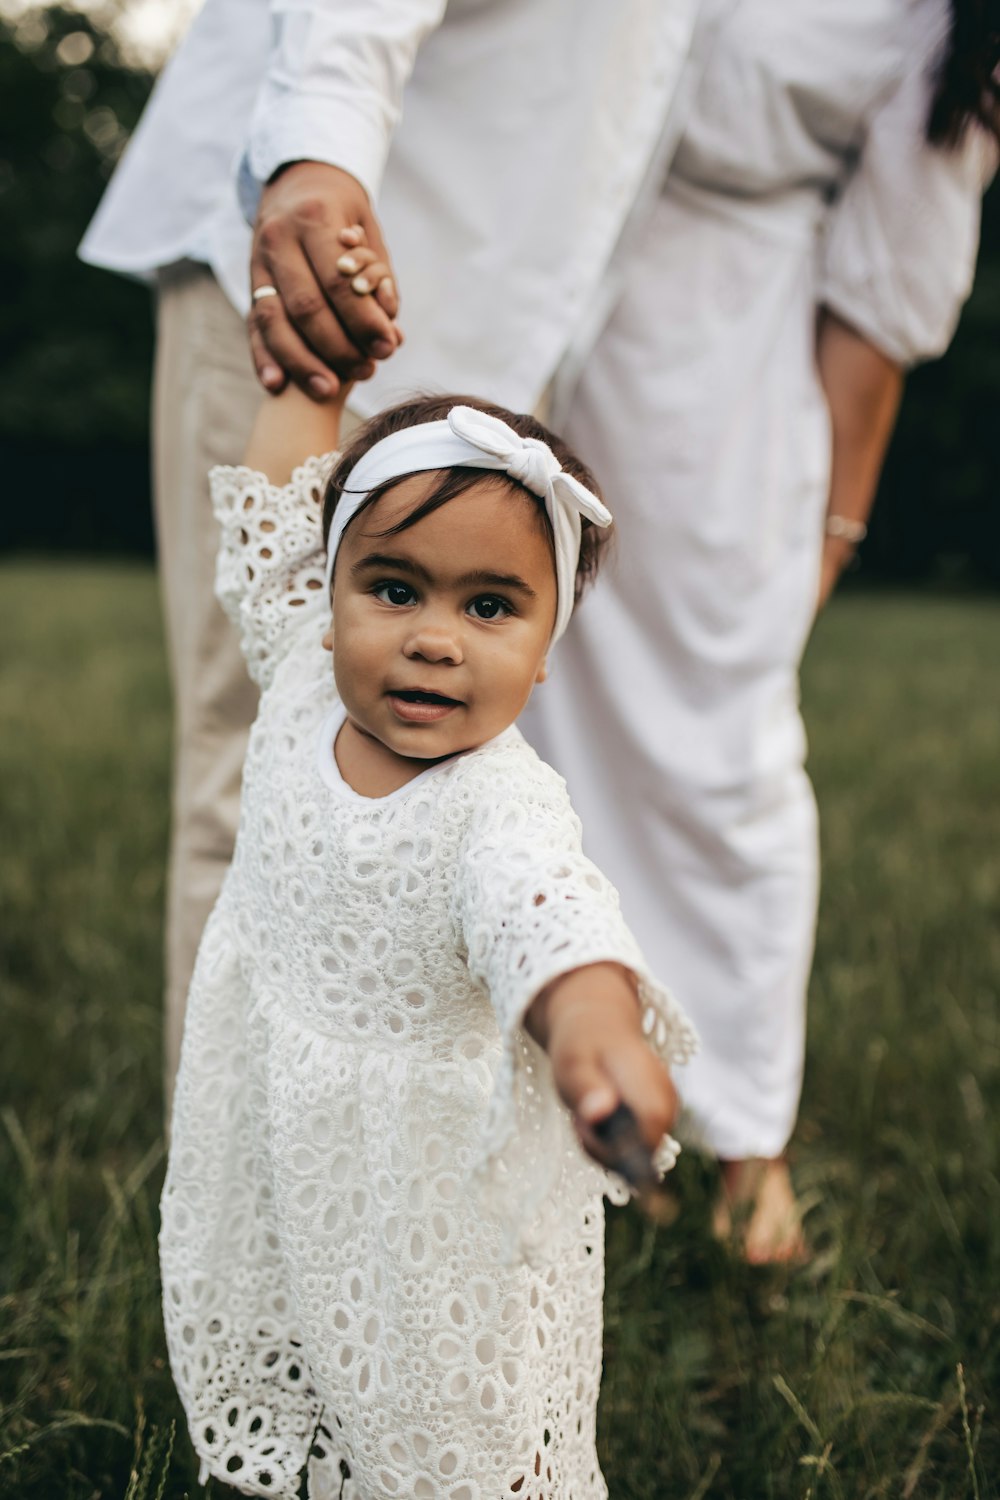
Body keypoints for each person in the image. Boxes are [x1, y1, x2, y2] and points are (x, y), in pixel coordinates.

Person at [84, 0, 998, 1256]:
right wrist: (320, 153)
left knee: (446, 790)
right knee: (271, 759)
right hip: (310, 235)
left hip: (494, 319)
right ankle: (254, 1235)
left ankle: (397, 1200)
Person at [159, 368, 697, 1497]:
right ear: (333, 591)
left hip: (431, 1200)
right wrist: (307, 374)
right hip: (282, 1136)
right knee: (294, 1334)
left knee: (441, 1415)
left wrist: (595, 1029)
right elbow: (271, 513)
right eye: (394, 590)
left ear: (549, 647)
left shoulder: (499, 806)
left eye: (490, 607)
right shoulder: (302, 686)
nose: (435, 641)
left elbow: (546, 916)